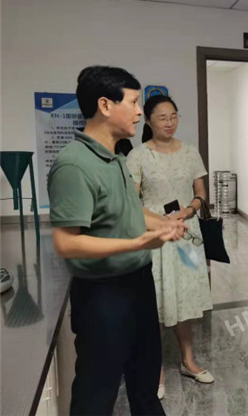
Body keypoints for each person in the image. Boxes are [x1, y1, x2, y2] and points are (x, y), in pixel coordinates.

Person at [49, 65, 187, 415]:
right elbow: (67, 243)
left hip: (138, 284)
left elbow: (131, 210)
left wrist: (165, 224)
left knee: (145, 383)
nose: (140, 112)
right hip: (103, 294)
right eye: (134, 102)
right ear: (105, 105)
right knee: (97, 393)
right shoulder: (74, 165)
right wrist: (139, 244)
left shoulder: (117, 158)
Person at [127, 95, 214, 400]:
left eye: (174, 116)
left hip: (187, 235)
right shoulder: (138, 156)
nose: (169, 122)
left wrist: (188, 210)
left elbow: (201, 193)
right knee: (154, 301)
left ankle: (188, 361)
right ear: (148, 121)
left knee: (186, 297)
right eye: (162, 117)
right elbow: (131, 200)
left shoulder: (190, 152)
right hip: (155, 234)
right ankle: (156, 369)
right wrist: (159, 221)